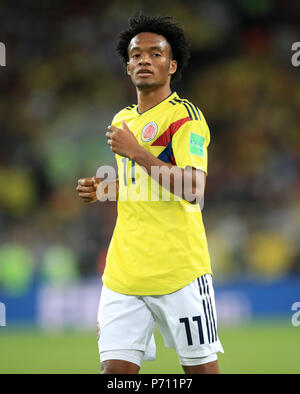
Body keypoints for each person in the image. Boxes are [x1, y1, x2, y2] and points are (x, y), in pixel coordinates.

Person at [76, 14, 224, 374]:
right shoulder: (121, 120)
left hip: (179, 272)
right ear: (127, 67)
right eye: (136, 55)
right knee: (115, 374)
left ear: (172, 65)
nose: (145, 60)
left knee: (200, 372)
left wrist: (138, 152)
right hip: (124, 274)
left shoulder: (185, 117)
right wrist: (106, 190)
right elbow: (139, 186)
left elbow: (192, 187)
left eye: (155, 54)